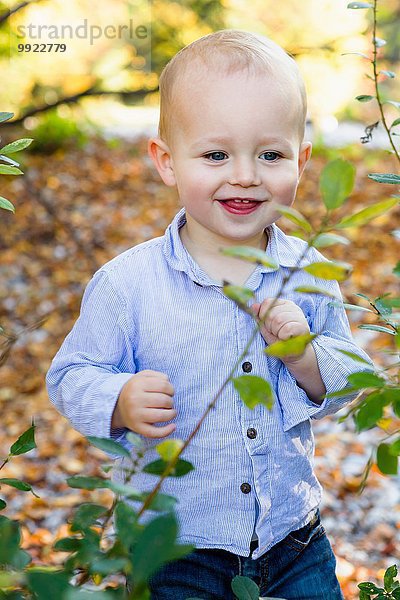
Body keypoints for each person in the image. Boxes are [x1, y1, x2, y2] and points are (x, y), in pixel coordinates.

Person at [46, 29, 373, 600]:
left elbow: (350, 380)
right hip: (176, 550)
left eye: (270, 155)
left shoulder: (310, 272)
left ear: (301, 161)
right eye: (216, 154)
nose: (245, 174)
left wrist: (304, 357)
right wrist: (119, 398)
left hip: (292, 541)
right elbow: (70, 375)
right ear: (167, 162)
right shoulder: (129, 285)